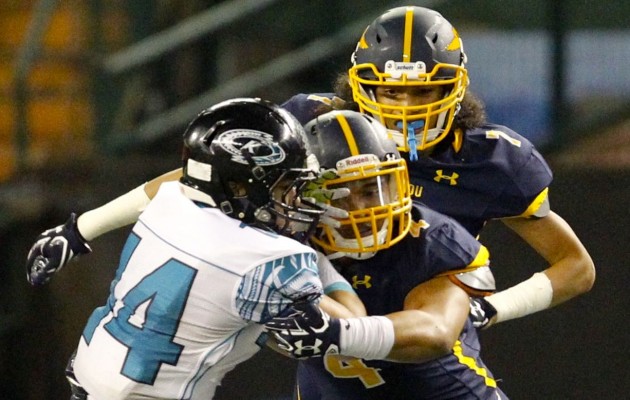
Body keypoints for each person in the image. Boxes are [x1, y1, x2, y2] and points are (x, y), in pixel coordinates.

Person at [26, 6, 594, 330]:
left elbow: (575, 266)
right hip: (325, 322)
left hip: (427, 326)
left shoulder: (493, 159)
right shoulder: (318, 127)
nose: (404, 110)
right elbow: (198, 178)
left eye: (423, 91)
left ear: (456, 87)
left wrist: (492, 308)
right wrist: (86, 225)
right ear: (356, 86)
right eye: (388, 94)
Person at [57, 97, 351, 400]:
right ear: (239, 187)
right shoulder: (262, 257)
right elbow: (350, 322)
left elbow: (186, 179)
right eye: (286, 187)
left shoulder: (170, 204)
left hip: (91, 377)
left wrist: (82, 228)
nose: (295, 198)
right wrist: (314, 258)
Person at [262, 109, 506, 399]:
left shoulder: (429, 239)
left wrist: (335, 333)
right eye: (337, 195)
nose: (360, 210)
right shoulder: (287, 240)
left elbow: (436, 332)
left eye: (370, 190)